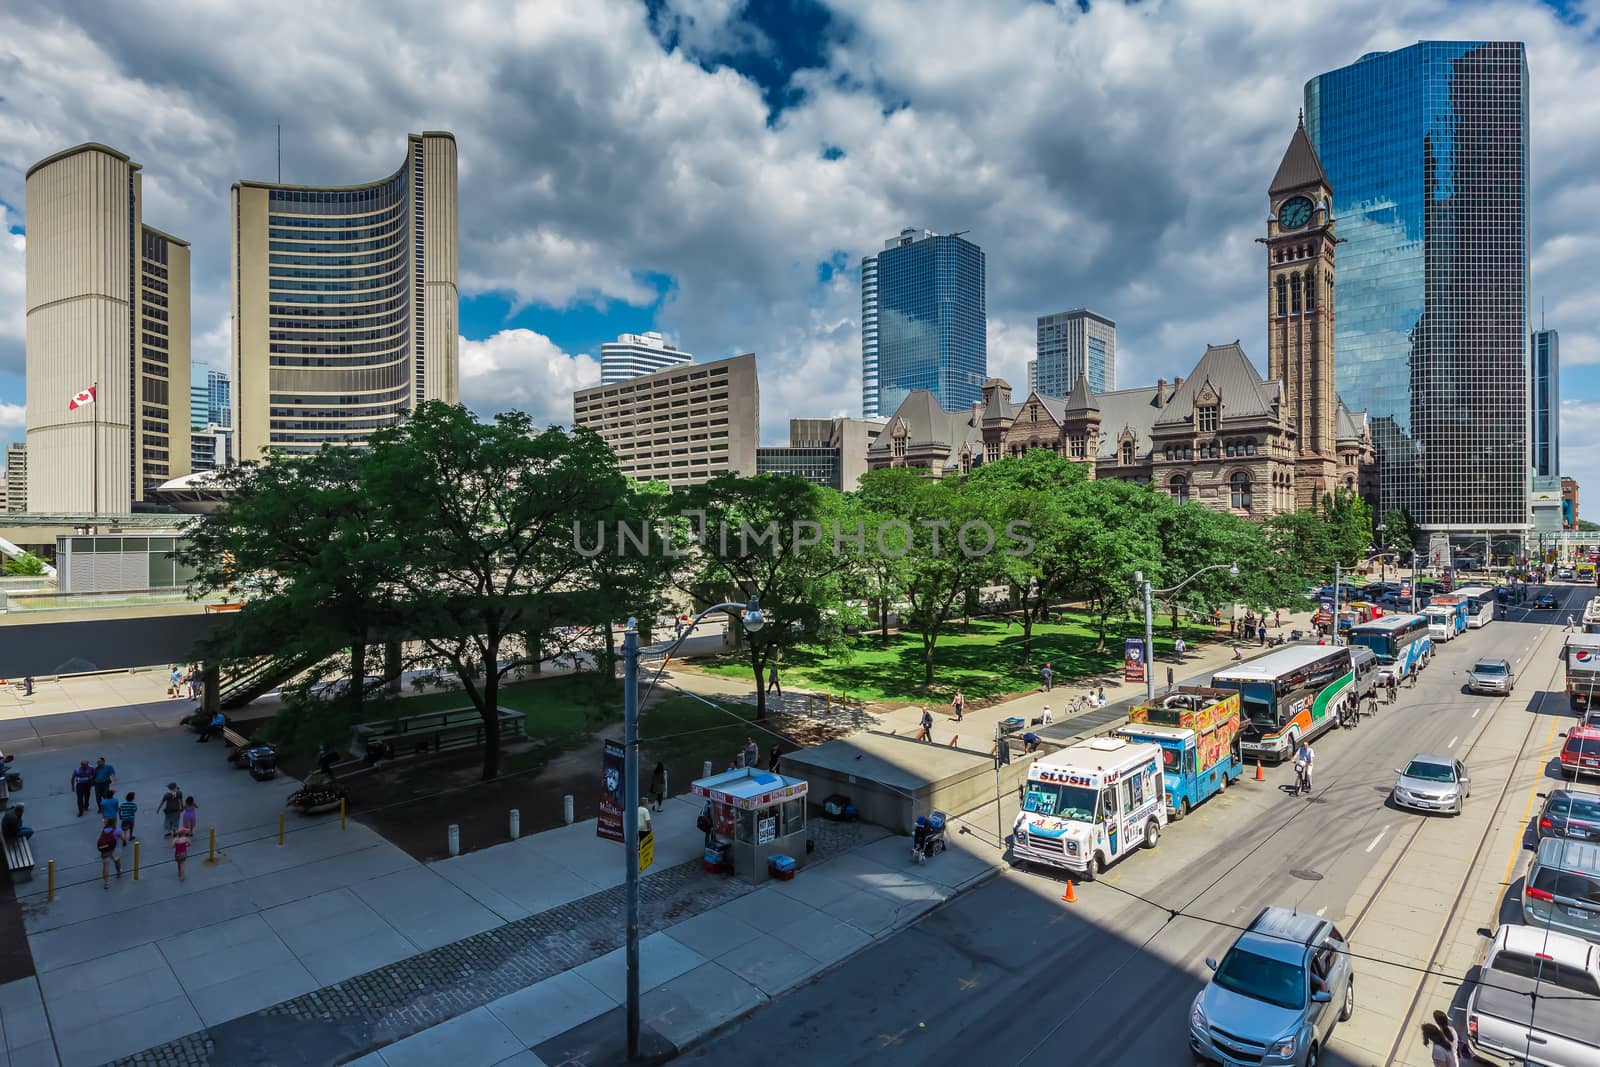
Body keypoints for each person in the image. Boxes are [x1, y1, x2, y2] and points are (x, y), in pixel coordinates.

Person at [97, 818, 123, 888]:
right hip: (115, 849)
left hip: (105, 849)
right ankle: (118, 872)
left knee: (105, 866)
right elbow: (123, 838)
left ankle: (106, 883)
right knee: (117, 861)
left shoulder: (104, 829)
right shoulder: (117, 830)